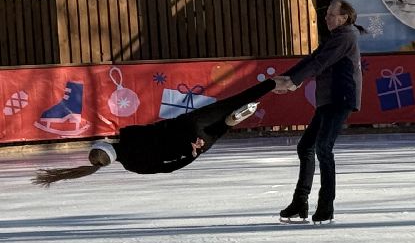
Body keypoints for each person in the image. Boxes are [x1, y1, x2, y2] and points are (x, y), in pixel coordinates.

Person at [32, 81, 275, 187]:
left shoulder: (133, 166)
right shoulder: (127, 134)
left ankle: (232, 122)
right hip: (188, 124)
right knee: (235, 100)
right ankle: (275, 84)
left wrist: (191, 153)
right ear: (106, 143)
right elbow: (159, 127)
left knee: (223, 126)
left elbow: (167, 167)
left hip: (192, 144)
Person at [272, 0, 364, 225]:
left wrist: (292, 81)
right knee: (306, 146)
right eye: (327, 15)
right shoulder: (336, 37)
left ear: (344, 18)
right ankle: (299, 203)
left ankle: (325, 208)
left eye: (331, 14)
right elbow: (312, 59)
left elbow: (320, 63)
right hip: (328, 100)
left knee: (323, 147)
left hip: (339, 98)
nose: (327, 18)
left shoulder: (345, 37)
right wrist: (287, 78)